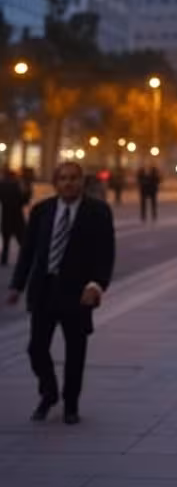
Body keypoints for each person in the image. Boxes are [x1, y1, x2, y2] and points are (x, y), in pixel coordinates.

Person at [5, 161, 115, 424]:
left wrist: (96, 285)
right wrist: (17, 286)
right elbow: (29, 252)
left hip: (78, 294)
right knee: (36, 349)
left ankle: (71, 404)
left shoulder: (97, 212)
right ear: (56, 183)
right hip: (44, 290)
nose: (69, 183)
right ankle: (49, 391)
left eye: (74, 178)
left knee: (75, 352)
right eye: (63, 178)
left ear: (82, 182)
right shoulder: (42, 211)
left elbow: (105, 253)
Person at [0, 168, 29, 267]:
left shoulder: (2, 185)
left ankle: (4, 260)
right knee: (22, 242)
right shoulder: (18, 185)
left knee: (6, 242)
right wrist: (27, 191)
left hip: (6, 218)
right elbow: (24, 201)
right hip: (17, 218)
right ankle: (26, 259)